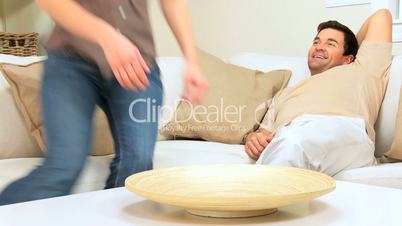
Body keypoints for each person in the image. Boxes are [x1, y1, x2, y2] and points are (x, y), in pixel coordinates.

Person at [0, 0, 207, 205]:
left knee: (136, 164)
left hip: (137, 64)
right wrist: (107, 36)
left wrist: (192, 59)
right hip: (71, 60)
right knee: (64, 166)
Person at [244, 9, 392, 176]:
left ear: (348, 58)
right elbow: (264, 133)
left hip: (343, 129)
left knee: (294, 142)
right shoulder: (284, 94)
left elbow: (382, 16)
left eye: (330, 44)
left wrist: (352, 51)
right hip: (289, 135)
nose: (319, 48)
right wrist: (253, 138)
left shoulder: (362, 70)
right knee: (288, 141)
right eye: (316, 42)